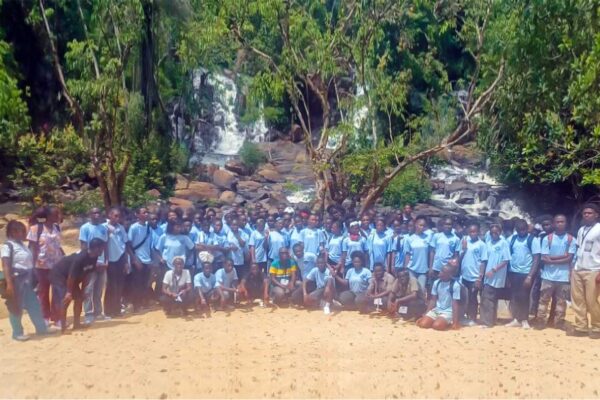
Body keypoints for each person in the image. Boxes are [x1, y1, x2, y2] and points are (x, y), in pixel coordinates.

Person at [1, 221, 57, 341]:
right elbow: (5, 265)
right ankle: (17, 333)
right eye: (21, 230)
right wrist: (9, 284)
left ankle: (41, 328)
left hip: (27, 280)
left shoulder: (21, 245)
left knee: (34, 305)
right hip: (16, 280)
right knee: (16, 306)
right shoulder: (7, 246)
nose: (23, 233)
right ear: (13, 232)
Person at [49, 239, 105, 332]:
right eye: (101, 248)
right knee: (66, 300)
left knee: (79, 298)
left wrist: (83, 291)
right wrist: (69, 292)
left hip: (71, 278)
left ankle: (77, 324)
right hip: (59, 275)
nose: (103, 251)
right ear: (96, 248)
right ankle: (63, 328)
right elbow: (71, 276)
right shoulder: (80, 258)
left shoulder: (94, 257)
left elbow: (87, 274)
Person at [534, 214, 575, 330]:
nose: (559, 224)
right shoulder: (548, 238)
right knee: (543, 301)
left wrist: (552, 259)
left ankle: (559, 323)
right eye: (557, 222)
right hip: (548, 276)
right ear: (554, 224)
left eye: (562, 222)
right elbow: (544, 258)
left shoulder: (571, 239)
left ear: (566, 223)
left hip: (563, 277)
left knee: (561, 302)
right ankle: (540, 321)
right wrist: (563, 257)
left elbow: (570, 259)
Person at [27, 206, 64, 326]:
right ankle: (45, 317)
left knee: (57, 292)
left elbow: (58, 246)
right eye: (55, 214)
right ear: (48, 216)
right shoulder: (35, 229)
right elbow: (32, 248)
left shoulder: (57, 227)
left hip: (57, 266)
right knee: (43, 292)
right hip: (41, 266)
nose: (58, 217)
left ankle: (56, 316)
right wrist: (31, 266)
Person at [568, 203, 600, 339]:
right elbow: (577, 250)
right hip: (579, 268)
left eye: (590, 213)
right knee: (578, 300)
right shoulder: (581, 229)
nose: (587, 215)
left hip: (594, 269)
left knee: (592, 300)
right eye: (585, 213)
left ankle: (597, 326)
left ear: (596, 215)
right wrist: (572, 268)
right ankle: (581, 327)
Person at [505, 219, 541, 329]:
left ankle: (524, 319)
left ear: (527, 229)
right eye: (519, 230)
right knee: (515, 296)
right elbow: (507, 256)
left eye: (524, 229)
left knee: (525, 296)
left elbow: (536, 259)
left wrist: (530, 276)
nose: (522, 232)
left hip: (526, 273)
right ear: (516, 230)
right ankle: (516, 319)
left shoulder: (533, 240)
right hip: (513, 272)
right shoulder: (511, 239)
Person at [79, 207, 109, 324]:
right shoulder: (85, 228)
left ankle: (98, 312)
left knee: (99, 289)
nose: (97, 214)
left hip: (102, 263)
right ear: (90, 214)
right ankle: (88, 313)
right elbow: (84, 247)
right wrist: (92, 262)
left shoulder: (103, 228)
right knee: (88, 289)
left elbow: (105, 245)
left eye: (98, 212)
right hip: (90, 264)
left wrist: (106, 261)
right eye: (94, 212)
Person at [479, 225, 511, 328]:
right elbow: (484, 260)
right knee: (488, 299)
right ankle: (490, 321)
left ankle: (487, 323)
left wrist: (494, 270)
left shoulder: (503, 243)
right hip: (488, 276)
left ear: (500, 232)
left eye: (496, 232)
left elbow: (506, 260)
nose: (494, 234)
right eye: (492, 233)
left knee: (488, 298)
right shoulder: (488, 244)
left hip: (497, 275)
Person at [416, 261, 462, 331]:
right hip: (437, 310)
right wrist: (426, 314)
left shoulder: (455, 285)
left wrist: (455, 322)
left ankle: (447, 322)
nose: (440, 273)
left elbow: (455, 304)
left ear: (449, 275)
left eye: (443, 272)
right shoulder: (436, 283)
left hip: (448, 311)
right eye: (441, 271)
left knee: (437, 326)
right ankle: (437, 319)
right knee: (423, 324)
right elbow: (433, 300)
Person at [103, 207, 131, 318]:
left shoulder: (121, 228)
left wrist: (126, 262)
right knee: (111, 286)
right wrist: (104, 260)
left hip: (120, 259)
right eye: (115, 216)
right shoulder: (104, 227)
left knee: (120, 285)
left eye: (119, 216)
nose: (117, 218)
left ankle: (117, 309)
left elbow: (125, 245)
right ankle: (108, 310)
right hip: (110, 260)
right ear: (109, 215)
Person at [459, 224, 488, 324]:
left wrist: (480, 277)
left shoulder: (482, 245)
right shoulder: (464, 240)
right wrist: (464, 249)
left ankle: (473, 318)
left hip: (475, 276)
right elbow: (460, 257)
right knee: (464, 297)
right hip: (464, 275)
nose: (472, 234)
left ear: (478, 232)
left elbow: (483, 262)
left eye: (474, 231)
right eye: (470, 232)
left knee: (472, 297)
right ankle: (464, 316)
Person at [128, 207, 154, 312]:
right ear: (137, 215)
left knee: (145, 283)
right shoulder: (133, 228)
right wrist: (134, 259)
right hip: (138, 260)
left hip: (147, 260)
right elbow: (129, 245)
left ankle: (143, 303)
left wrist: (151, 260)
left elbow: (150, 245)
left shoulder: (149, 228)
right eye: (144, 212)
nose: (146, 214)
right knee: (137, 284)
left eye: (147, 212)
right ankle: (136, 305)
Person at [530, 215, 554, 317]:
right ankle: (536, 315)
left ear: (552, 224)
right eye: (543, 225)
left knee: (555, 296)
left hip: (554, 270)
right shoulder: (540, 236)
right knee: (537, 292)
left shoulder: (557, 237)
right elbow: (538, 254)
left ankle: (553, 318)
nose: (545, 227)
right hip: (540, 269)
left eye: (547, 224)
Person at [429, 218, 460, 287]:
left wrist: (454, 268)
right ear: (443, 225)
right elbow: (432, 252)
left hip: (447, 269)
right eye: (446, 224)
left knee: (445, 289)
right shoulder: (436, 236)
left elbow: (456, 255)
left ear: (452, 226)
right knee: (433, 287)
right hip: (436, 267)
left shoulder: (456, 239)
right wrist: (431, 267)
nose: (448, 226)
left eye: (450, 224)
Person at [403, 216, 431, 289]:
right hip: (412, 269)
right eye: (420, 225)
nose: (422, 227)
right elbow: (407, 254)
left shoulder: (428, 238)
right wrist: (405, 268)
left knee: (421, 290)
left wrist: (430, 267)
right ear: (416, 225)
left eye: (424, 226)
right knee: (412, 290)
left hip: (423, 269)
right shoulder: (409, 239)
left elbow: (430, 253)